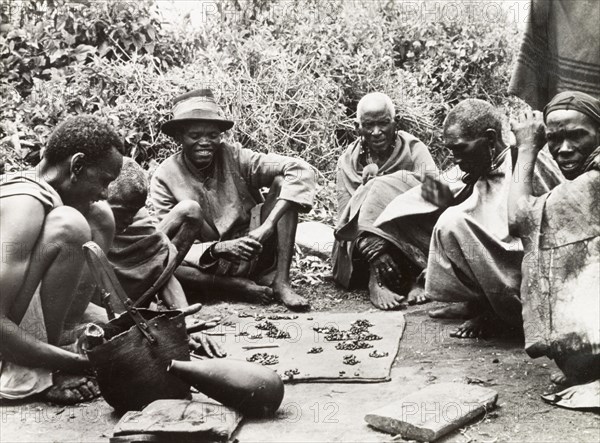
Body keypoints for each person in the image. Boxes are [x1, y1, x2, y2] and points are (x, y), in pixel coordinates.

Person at [151, 89, 316, 311]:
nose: (205, 142)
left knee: (281, 182)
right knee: (164, 263)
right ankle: (232, 287)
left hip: (254, 247)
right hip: (207, 263)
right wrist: (219, 248)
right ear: (179, 137)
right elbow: (168, 244)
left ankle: (281, 282)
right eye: (195, 136)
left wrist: (266, 228)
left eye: (212, 135)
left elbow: (299, 169)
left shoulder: (235, 155)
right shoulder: (164, 176)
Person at [0, 115, 124, 404]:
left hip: (19, 328)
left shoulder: (50, 196)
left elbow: (72, 304)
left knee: (99, 215)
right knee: (70, 225)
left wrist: (138, 327)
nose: (105, 192)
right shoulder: (25, 203)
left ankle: (56, 347)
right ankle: (41, 368)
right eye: (104, 180)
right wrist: (71, 364)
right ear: (76, 165)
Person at [424, 99, 564, 338]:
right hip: (510, 258)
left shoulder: (526, 158)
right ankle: (479, 302)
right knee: (448, 221)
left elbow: (543, 224)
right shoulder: (476, 164)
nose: (456, 159)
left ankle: (503, 315)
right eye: (451, 151)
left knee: (455, 223)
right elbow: (427, 192)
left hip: (538, 262)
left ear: (490, 139)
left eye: (460, 148)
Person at [508, 91, 599, 404]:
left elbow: (519, 218)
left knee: (550, 249)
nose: (564, 149)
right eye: (553, 139)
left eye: (577, 136)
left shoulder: (594, 181)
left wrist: (527, 150)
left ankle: (588, 361)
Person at [107, 158, 224, 357]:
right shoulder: (79, 215)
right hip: (104, 307)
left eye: (133, 213)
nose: (128, 221)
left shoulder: (137, 218)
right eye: (122, 214)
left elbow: (160, 268)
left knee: (190, 210)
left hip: (135, 300)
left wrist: (183, 319)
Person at [333, 92, 438, 310]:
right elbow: (344, 219)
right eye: (369, 125)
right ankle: (376, 280)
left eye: (384, 123)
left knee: (380, 186)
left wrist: (391, 187)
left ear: (396, 122)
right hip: (362, 246)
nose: (377, 132)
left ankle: (416, 278)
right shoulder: (346, 162)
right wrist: (370, 242)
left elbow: (437, 197)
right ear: (357, 127)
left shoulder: (414, 150)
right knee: (369, 194)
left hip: (408, 235)